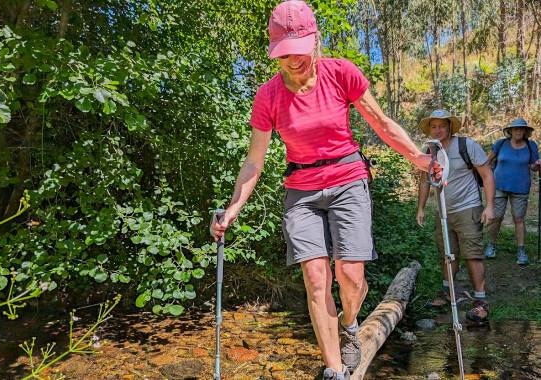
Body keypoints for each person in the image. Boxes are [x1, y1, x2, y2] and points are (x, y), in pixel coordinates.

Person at [209, 1, 437, 379]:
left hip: (348, 178)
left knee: (351, 275)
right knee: (316, 278)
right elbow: (254, 161)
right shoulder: (268, 96)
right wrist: (234, 207)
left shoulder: (340, 73)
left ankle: (350, 325)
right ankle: (335, 370)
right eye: (284, 54)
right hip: (301, 189)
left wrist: (418, 158)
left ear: (315, 42)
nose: (293, 61)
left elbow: (380, 123)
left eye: (300, 51)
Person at [416, 109, 495, 325]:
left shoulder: (466, 145)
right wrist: (421, 208)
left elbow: (487, 174)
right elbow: (424, 181)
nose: (438, 130)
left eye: (442, 125)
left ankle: (480, 302)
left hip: (468, 207)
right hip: (442, 211)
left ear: (450, 127)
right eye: (434, 126)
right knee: (447, 254)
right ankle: (449, 293)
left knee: (473, 254)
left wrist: (489, 206)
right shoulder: (430, 150)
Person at [484, 118, 541, 265]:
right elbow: (487, 162)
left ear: (525, 131)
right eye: (516, 129)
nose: (518, 131)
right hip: (499, 186)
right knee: (496, 217)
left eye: (521, 129)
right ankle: (491, 245)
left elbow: (534, 167)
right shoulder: (501, 144)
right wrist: (486, 177)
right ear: (510, 131)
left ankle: (521, 250)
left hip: (520, 188)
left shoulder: (531, 145)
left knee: (519, 219)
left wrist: (537, 165)